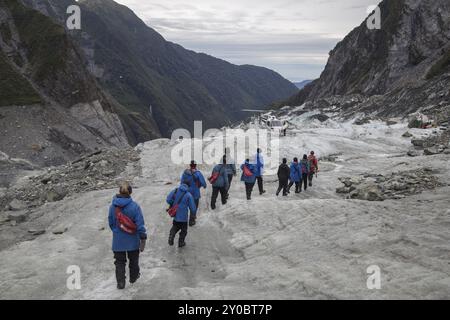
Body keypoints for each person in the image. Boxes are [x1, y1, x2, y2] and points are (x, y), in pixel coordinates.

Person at [108, 182, 147, 290]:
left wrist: (117, 231)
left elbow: (111, 222)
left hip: (118, 241)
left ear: (119, 192)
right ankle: (133, 278)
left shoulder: (113, 207)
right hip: (132, 240)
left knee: (119, 262)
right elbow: (140, 224)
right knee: (133, 260)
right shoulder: (135, 206)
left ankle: (120, 283)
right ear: (130, 192)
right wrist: (143, 236)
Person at [166, 183, 197, 248]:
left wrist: (173, 203)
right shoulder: (188, 195)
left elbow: (168, 199)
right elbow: (193, 208)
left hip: (176, 215)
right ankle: (181, 242)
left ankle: (172, 234)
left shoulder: (175, 191)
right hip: (183, 217)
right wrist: (193, 214)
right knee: (184, 231)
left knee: (175, 226)